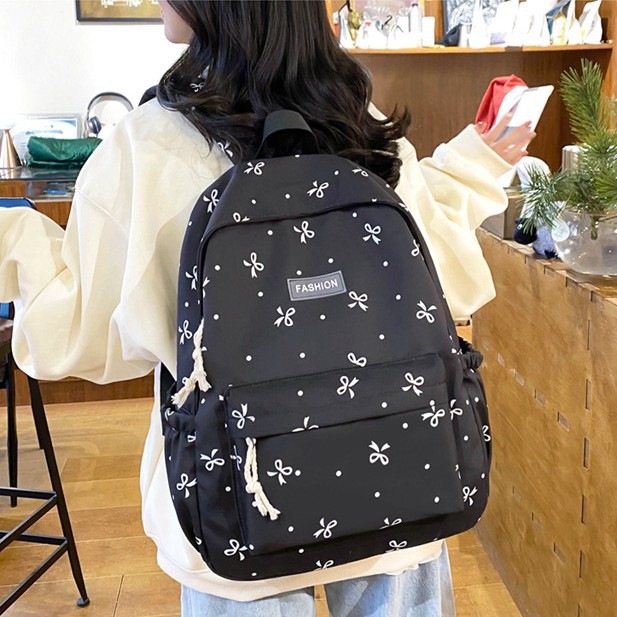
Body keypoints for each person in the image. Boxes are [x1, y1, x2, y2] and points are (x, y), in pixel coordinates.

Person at [0, 1, 534, 615]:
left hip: (244, 498)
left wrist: (13, 236)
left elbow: (81, 331)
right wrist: (477, 163)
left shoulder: (149, 145)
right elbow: (438, 282)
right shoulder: (358, 120)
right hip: (401, 475)